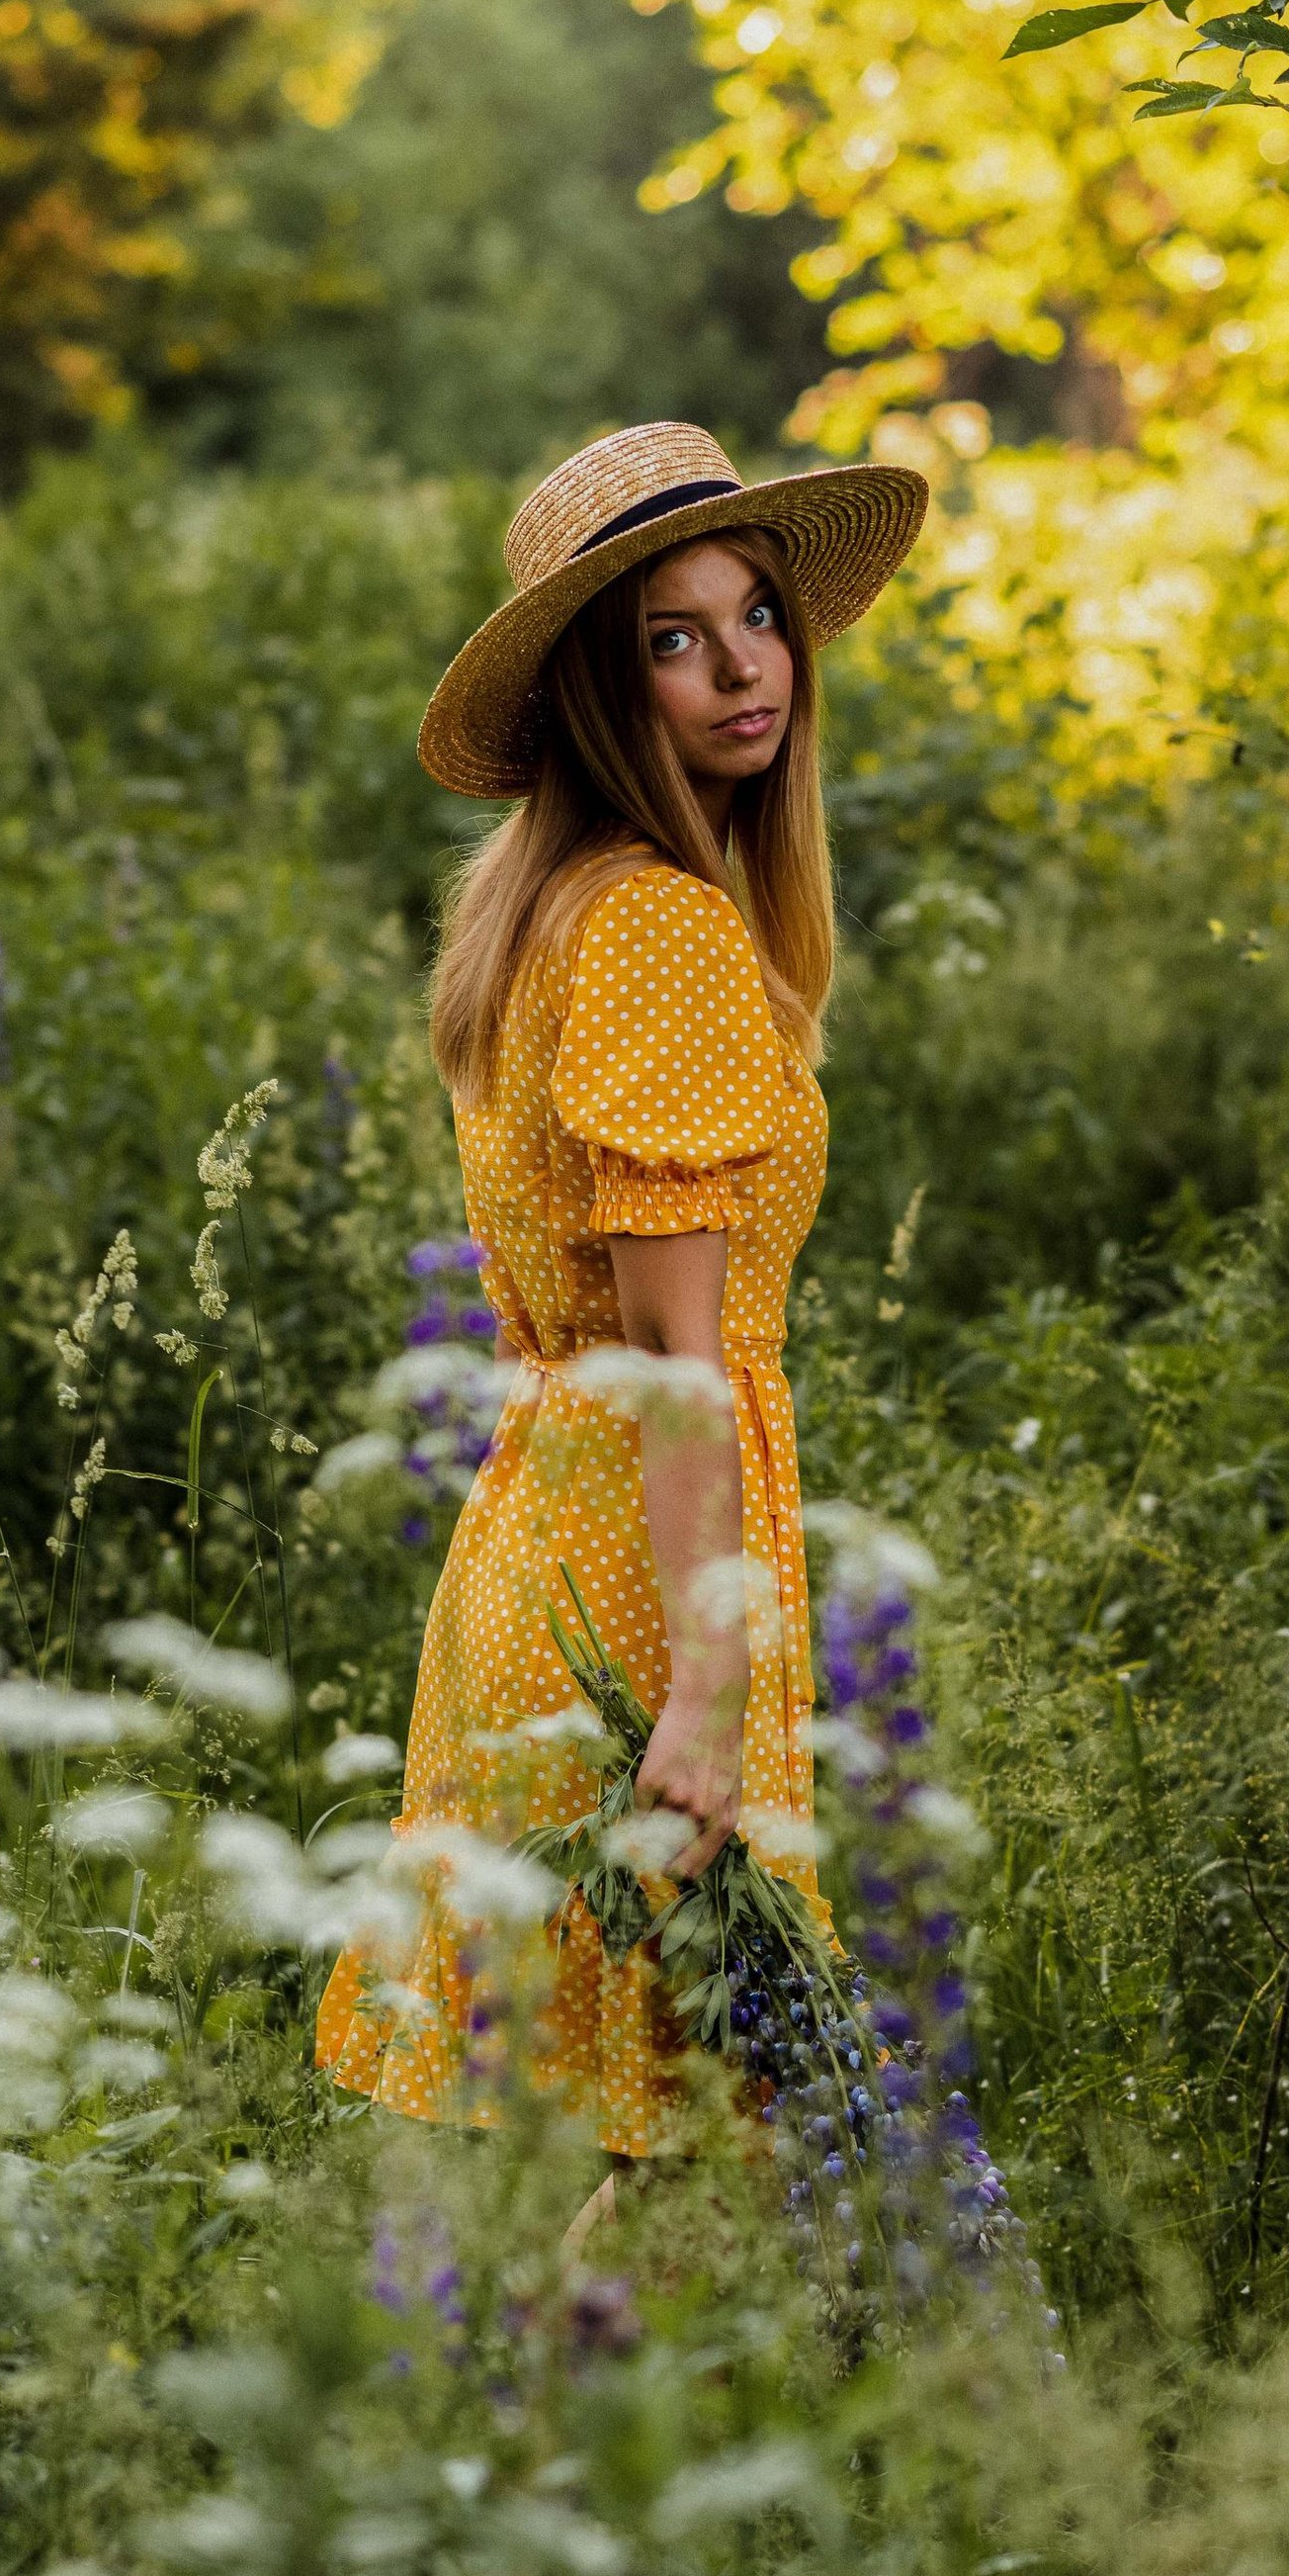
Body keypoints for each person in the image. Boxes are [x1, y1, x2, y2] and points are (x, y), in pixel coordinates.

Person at [313, 419, 927, 2170]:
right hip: (652, 1605)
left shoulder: (546, 906)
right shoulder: (655, 929)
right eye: (674, 636)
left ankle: (484, 2438)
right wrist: (712, 1692)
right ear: (601, 687)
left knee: (636, 2165)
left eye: (757, 617)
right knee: (711, 2159)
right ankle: (489, 2447)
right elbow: (680, 1369)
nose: (745, 669)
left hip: (541, 1555)